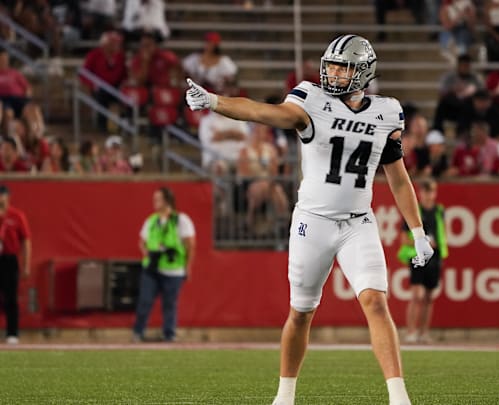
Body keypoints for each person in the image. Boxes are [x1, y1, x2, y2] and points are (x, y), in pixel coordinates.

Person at [186, 34, 434, 405]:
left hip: (357, 222)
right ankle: (285, 395)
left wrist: (418, 232)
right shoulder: (309, 99)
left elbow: (398, 176)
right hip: (312, 222)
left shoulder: (386, 112)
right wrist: (215, 102)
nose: (332, 73)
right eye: (330, 65)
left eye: (341, 66)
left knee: (376, 303)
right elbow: (262, 111)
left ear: (363, 72)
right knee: (301, 313)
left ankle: (399, 399)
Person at [133, 187, 196, 342]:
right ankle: (138, 332)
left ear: (167, 201)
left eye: (158, 199)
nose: (154, 202)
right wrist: (147, 252)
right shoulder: (152, 220)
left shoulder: (181, 220)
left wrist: (188, 267)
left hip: (173, 269)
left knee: (169, 304)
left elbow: (190, 244)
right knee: (145, 300)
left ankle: (169, 334)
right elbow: (142, 241)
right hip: (152, 268)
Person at [398, 179, 448, 344]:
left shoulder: (439, 211)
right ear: (420, 194)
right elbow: (404, 238)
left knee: (428, 296)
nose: (428, 196)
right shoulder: (414, 211)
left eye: (431, 192)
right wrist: (423, 242)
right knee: (416, 294)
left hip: (435, 257)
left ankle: (424, 332)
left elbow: (443, 233)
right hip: (417, 255)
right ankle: (411, 331)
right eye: (425, 192)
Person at [0, 184, 31, 345]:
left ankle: (12, 333)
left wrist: (26, 265)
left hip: (10, 259)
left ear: (8, 197)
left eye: (2, 196)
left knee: (11, 297)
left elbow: (26, 240)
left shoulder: (16, 215)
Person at [81, 30, 127, 131]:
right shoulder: (94, 55)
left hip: (116, 87)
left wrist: (124, 83)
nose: (116, 45)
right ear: (105, 44)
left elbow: (125, 74)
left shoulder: (120, 56)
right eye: (113, 43)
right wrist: (93, 84)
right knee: (102, 96)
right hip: (100, 87)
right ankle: (102, 127)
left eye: (117, 43)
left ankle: (124, 127)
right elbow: (84, 74)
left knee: (126, 95)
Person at [432, 54, 483, 131]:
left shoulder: (475, 79)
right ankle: (437, 131)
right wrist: (453, 89)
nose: (465, 68)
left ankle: (462, 133)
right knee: (442, 104)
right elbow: (441, 93)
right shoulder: (449, 77)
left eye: (467, 66)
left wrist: (471, 92)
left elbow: (482, 94)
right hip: (452, 107)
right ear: (458, 65)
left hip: (468, 109)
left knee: (468, 106)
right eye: (463, 65)